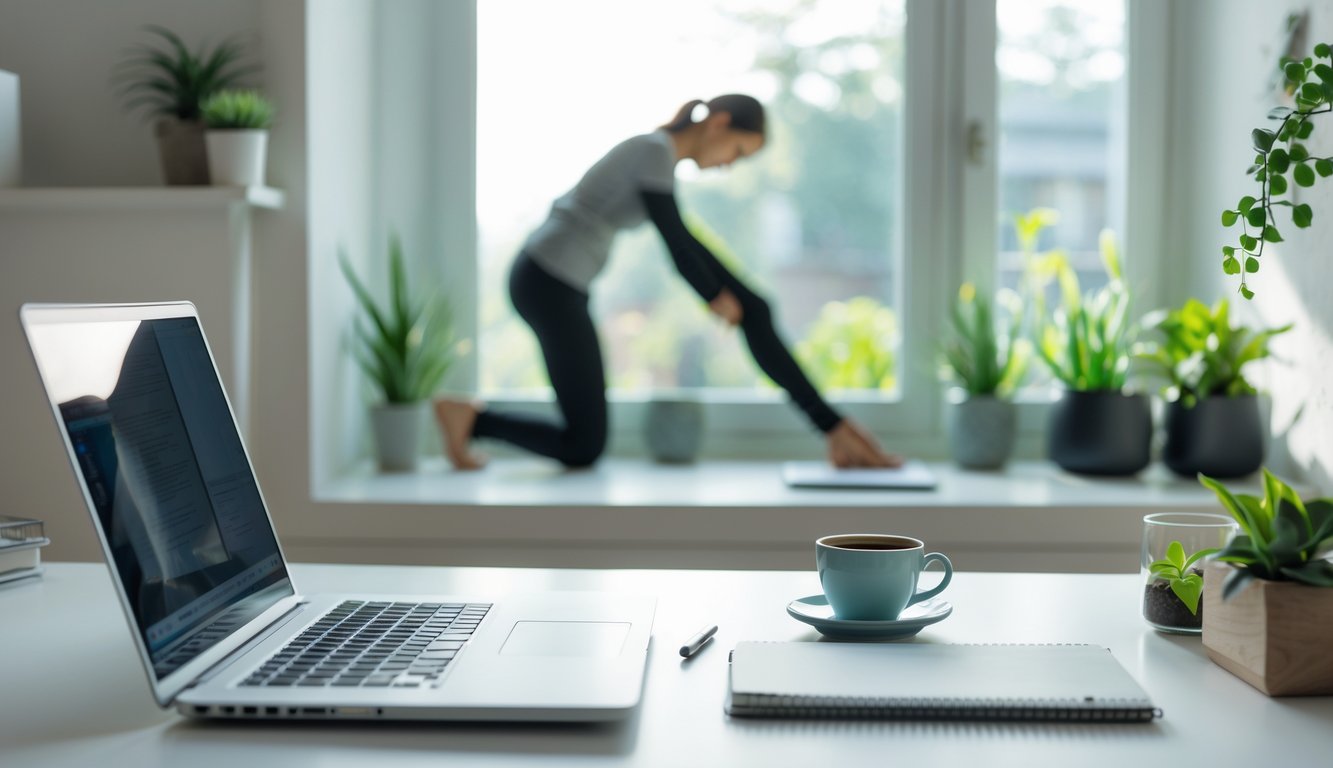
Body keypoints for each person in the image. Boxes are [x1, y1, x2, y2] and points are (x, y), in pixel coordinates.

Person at [435, 94, 900, 470]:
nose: (729, 165)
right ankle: (472, 420)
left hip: (555, 283)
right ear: (719, 124)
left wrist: (738, 297)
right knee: (583, 445)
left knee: (755, 308)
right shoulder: (654, 151)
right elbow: (676, 242)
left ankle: (835, 430)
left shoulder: (657, 156)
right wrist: (714, 295)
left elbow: (687, 241)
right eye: (737, 152)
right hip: (546, 282)